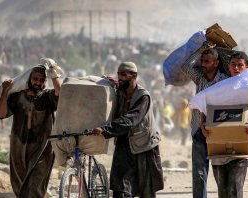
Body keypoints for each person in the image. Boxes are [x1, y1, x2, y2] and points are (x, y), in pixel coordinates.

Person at [93, 61, 164, 198]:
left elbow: (132, 119)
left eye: (124, 74)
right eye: (119, 74)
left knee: (146, 189)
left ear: (134, 76)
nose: (121, 78)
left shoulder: (143, 96)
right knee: (120, 187)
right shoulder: (119, 91)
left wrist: (106, 129)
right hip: (124, 142)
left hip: (144, 145)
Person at [0, 60, 62, 197]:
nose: (38, 82)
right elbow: (1, 114)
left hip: (42, 150)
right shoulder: (17, 97)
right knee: (21, 188)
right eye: (35, 79)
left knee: (35, 186)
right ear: (29, 79)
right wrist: (5, 92)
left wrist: (53, 74)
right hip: (19, 150)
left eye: (41, 80)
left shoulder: (47, 96)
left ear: (45, 82)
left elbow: (60, 93)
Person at [201, 51, 248, 198]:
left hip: (241, 147)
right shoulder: (220, 86)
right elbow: (206, 106)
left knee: (235, 189)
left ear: (246, 67)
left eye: (240, 65)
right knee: (223, 190)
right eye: (233, 64)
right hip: (218, 148)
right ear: (229, 66)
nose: (236, 68)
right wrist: (203, 125)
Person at [180, 45, 228, 198]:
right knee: (199, 174)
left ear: (216, 63)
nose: (203, 64)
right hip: (198, 131)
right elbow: (185, 66)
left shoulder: (225, 81)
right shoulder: (199, 78)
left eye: (207, 61)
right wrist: (200, 51)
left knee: (219, 172)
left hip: (218, 131)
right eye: (202, 61)